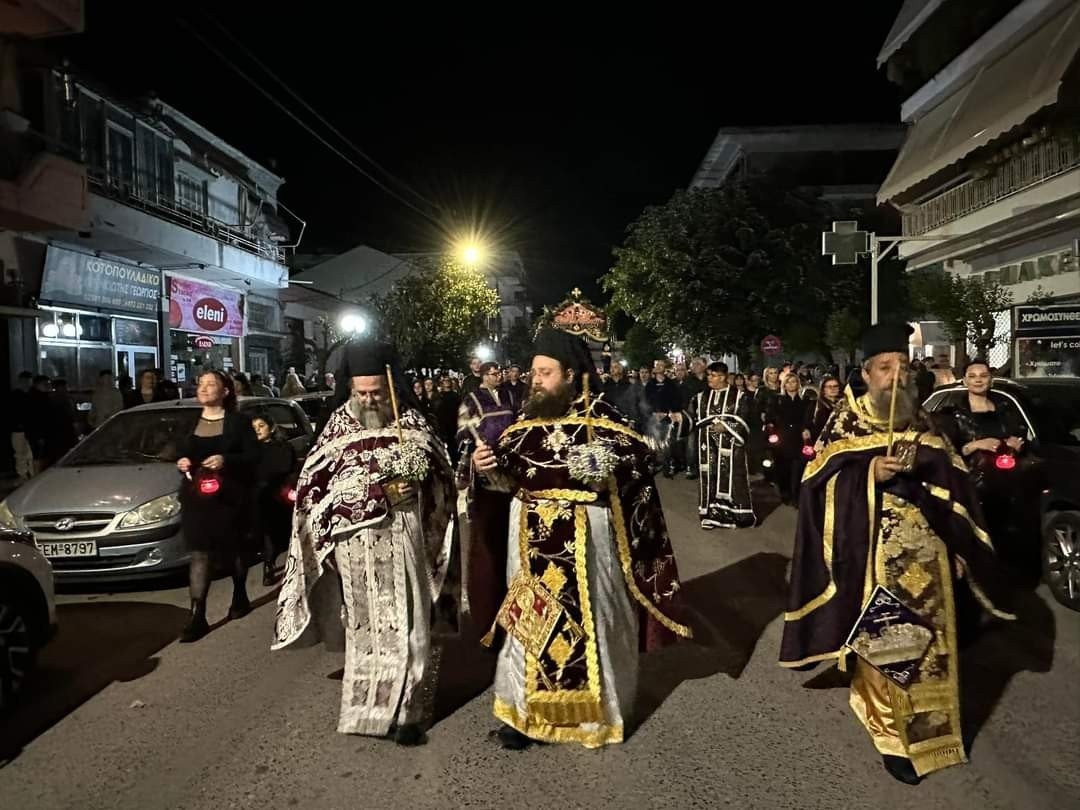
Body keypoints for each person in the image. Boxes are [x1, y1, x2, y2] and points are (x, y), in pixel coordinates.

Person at [780, 323, 1014, 785]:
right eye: (886, 368)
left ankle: (935, 734)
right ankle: (893, 738)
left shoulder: (922, 421)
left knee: (933, 645)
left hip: (929, 556)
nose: (896, 376)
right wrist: (869, 472)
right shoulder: (845, 422)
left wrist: (959, 540)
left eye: (903, 368)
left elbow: (955, 478)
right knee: (889, 645)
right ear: (866, 374)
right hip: (874, 554)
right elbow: (814, 487)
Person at [471, 328, 691, 749]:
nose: (535, 379)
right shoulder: (524, 422)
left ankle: (594, 717)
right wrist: (485, 468)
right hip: (530, 540)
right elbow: (506, 478)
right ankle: (525, 716)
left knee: (596, 624)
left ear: (570, 374)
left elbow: (639, 466)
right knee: (529, 623)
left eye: (545, 372)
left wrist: (606, 471)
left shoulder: (604, 418)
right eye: (534, 372)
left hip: (588, 539)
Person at [273, 341, 457, 745]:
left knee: (410, 622)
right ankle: (369, 711)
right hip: (357, 545)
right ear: (350, 390)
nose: (370, 400)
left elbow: (444, 480)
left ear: (391, 387)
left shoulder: (413, 424)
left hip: (405, 535)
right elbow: (314, 493)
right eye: (362, 394)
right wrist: (376, 495)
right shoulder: (336, 427)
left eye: (377, 392)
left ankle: (409, 712)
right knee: (367, 628)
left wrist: (418, 486)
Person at [175, 371, 259, 643]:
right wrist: (182, 461)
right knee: (199, 553)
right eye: (200, 384)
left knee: (232, 547)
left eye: (211, 384)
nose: (204, 388)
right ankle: (197, 614)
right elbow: (177, 450)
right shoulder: (189, 422)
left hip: (229, 496)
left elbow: (252, 456)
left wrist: (226, 460)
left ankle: (239, 594)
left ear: (225, 391)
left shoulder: (238, 422)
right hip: (196, 497)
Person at [938, 359, 1030, 560]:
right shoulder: (953, 413)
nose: (978, 381)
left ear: (991, 380)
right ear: (964, 381)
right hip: (973, 486)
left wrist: (1017, 443)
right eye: (972, 376)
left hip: (1009, 483)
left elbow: (1021, 435)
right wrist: (976, 445)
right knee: (980, 541)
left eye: (983, 376)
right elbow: (946, 451)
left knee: (1010, 540)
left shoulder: (1005, 409)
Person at [455, 361, 519, 641]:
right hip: (487, 480)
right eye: (494, 373)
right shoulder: (471, 400)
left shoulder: (510, 396)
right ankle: (489, 616)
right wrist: (476, 452)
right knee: (489, 546)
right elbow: (463, 434)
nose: (499, 376)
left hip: (513, 475)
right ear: (483, 376)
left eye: (500, 373)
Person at [691, 361, 756, 530]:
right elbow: (691, 416)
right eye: (708, 375)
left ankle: (737, 515)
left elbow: (746, 419)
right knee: (710, 476)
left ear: (722, 377)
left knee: (733, 477)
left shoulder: (740, 396)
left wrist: (726, 427)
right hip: (708, 445)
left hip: (731, 446)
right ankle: (710, 514)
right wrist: (677, 417)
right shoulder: (701, 397)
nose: (709, 379)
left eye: (712, 375)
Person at [250, 411, 296, 586]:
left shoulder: (283, 447)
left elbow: (286, 469)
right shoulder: (251, 450)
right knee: (266, 533)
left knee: (282, 532)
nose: (258, 431)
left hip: (280, 495)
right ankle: (268, 565)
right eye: (254, 428)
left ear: (271, 427)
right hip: (260, 498)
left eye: (261, 426)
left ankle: (281, 564)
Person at [768, 373, 814, 505]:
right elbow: (771, 417)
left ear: (798, 384)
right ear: (784, 385)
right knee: (783, 467)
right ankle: (785, 492)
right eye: (788, 382)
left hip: (798, 437)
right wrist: (772, 432)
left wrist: (806, 429)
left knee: (798, 467)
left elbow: (808, 419)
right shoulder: (778, 400)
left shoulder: (805, 401)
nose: (791, 384)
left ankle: (796, 496)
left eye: (794, 382)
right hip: (783, 437)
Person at [644, 360, 685, 478]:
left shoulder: (671, 384)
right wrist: (653, 412)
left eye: (661, 365)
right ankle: (653, 466)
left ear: (665, 369)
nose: (658, 367)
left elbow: (676, 400)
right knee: (652, 444)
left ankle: (667, 468)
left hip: (667, 418)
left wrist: (667, 413)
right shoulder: (650, 385)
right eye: (657, 365)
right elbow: (646, 400)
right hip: (654, 418)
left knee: (667, 444)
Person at [602, 361, 649, 432]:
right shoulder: (605, 386)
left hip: (625, 421)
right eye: (611, 367)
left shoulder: (629, 385)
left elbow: (633, 404)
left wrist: (632, 419)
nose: (612, 369)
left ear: (621, 370)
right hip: (609, 420)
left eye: (615, 367)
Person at [9, 371, 35, 480]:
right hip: (20, 429)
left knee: (25, 453)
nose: (26, 383)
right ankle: (24, 474)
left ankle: (26, 474)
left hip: (22, 429)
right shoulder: (20, 396)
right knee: (22, 453)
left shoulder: (26, 395)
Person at [808, 375, 842, 450]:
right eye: (829, 387)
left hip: (839, 444)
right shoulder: (814, 405)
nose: (833, 389)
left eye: (835, 386)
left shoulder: (843, 404)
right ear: (823, 389)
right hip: (822, 444)